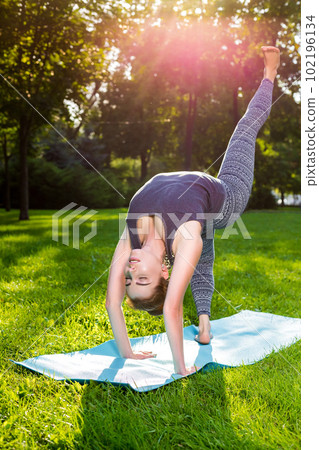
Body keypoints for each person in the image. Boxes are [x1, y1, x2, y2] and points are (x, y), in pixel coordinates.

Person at [105, 46, 280, 376]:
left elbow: (112, 302)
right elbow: (171, 306)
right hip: (226, 197)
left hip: (198, 202)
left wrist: (126, 352)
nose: (131, 271)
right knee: (244, 129)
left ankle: (204, 322)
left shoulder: (131, 238)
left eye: (130, 279)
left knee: (202, 247)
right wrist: (180, 367)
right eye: (142, 279)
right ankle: (270, 74)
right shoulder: (186, 240)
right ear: (165, 274)